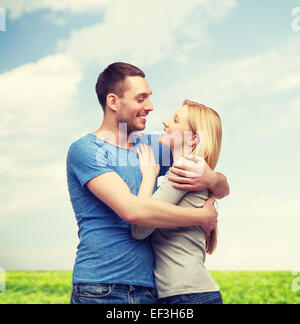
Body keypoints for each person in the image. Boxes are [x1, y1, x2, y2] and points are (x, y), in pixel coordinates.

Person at [67, 62, 230, 304]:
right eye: (141, 99)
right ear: (113, 102)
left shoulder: (155, 146)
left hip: (152, 291)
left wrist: (212, 178)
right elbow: (133, 211)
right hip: (101, 287)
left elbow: (215, 179)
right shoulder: (87, 150)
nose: (150, 107)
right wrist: (201, 218)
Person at [131, 100, 223, 304]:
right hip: (190, 293)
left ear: (194, 138)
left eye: (175, 120)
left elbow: (139, 229)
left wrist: (148, 176)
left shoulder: (185, 171)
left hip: (187, 296)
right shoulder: (195, 169)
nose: (165, 122)